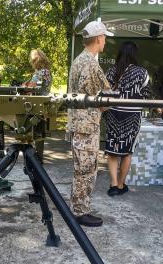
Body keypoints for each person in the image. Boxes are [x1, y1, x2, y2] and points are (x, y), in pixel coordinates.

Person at [68, 20, 112, 227]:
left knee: (81, 169)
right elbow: (104, 99)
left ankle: (78, 207)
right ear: (98, 38)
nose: (105, 41)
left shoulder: (79, 60)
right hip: (87, 126)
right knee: (86, 170)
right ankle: (80, 211)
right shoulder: (91, 65)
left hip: (80, 124)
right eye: (104, 37)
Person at [104, 41, 151, 196]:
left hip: (113, 114)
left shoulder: (111, 71)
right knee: (127, 152)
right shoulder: (142, 72)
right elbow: (147, 96)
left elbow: (104, 94)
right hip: (132, 116)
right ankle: (121, 183)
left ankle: (113, 184)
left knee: (112, 152)